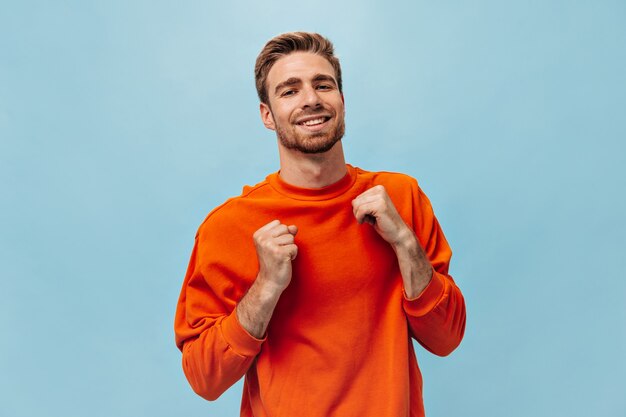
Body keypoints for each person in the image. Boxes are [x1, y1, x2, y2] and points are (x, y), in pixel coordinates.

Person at [174, 32, 466, 417]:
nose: (311, 99)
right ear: (267, 115)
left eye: (322, 85)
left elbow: (446, 338)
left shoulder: (400, 197)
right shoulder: (228, 226)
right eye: (289, 91)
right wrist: (266, 287)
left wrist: (405, 244)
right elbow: (204, 378)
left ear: (341, 101)